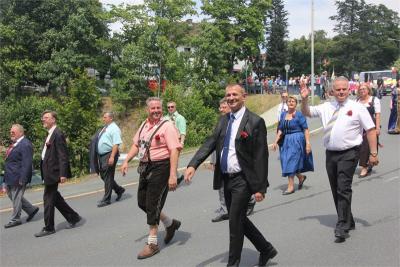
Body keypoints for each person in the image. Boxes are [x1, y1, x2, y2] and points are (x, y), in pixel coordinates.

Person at [184, 84, 277, 267]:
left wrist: (260, 187)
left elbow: (260, 157)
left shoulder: (255, 121)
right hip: (226, 178)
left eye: (235, 94)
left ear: (244, 97)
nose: (231, 98)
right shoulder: (223, 120)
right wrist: (193, 164)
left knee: (234, 223)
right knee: (239, 218)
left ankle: (233, 264)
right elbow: (210, 142)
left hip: (243, 179)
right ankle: (266, 249)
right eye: (228, 95)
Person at [301, 77, 379, 243]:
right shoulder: (326, 106)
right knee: (336, 188)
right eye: (338, 89)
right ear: (332, 91)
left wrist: (373, 153)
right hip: (331, 154)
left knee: (343, 188)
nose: (341, 92)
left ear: (348, 90)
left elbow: (371, 130)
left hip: (349, 153)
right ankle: (348, 220)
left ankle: (342, 225)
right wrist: (305, 99)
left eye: (344, 89)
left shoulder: (357, 107)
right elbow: (307, 112)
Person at [121, 97, 182, 260]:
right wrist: (126, 160)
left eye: (158, 108)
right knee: (143, 202)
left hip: (161, 167)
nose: (156, 111)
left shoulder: (167, 126)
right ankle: (170, 224)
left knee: (153, 203)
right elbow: (136, 144)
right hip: (145, 166)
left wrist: (173, 174)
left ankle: (153, 243)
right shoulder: (144, 125)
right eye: (153, 108)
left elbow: (174, 150)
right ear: (147, 110)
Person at [35, 110, 81, 237]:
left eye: (46, 117)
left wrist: (63, 173)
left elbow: (63, 155)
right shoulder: (50, 134)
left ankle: (49, 227)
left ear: (53, 119)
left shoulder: (58, 133)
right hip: (49, 172)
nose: (43, 119)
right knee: (55, 198)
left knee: (48, 199)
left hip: (54, 172)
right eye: (43, 117)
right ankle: (73, 217)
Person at [210, 99, 256, 223]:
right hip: (221, 161)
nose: (221, 109)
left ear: (230, 108)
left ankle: (248, 201)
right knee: (222, 186)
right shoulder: (221, 121)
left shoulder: (241, 122)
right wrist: (213, 160)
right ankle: (226, 209)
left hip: (236, 163)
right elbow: (213, 143)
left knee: (236, 187)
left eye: (223, 107)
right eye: (220, 107)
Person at [272, 96, 314, 195]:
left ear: (296, 104)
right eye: (289, 101)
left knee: (290, 160)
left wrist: (308, 144)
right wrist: (275, 142)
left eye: (293, 101)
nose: (291, 103)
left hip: (297, 140)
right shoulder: (283, 115)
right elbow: (281, 129)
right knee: (286, 160)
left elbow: (306, 129)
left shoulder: (299, 115)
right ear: (286, 103)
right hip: (286, 141)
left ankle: (290, 187)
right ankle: (300, 177)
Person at [3, 124, 39, 228]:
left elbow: (27, 163)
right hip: (11, 176)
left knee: (16, 198)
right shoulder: (16, 143)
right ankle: (31, 210)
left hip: (18, 177)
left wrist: (23, 178)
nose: (11, 134)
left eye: (13, 132)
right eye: (10, 132)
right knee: (13, 196)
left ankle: (15, 219)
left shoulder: (25, 144)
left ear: (21, 132)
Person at [95, 112, 125, 207]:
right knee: (104, 176)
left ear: (111, 118)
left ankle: (106, 199)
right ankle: (118, 189)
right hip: (102, 156)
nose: (103, 119)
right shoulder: (106, 127)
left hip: (109, 154)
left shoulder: (114, 129)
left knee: (107, 176)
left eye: (105, 117)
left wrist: (112, 156)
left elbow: (116, 144)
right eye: (103, 117)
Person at [356, 83, 381, 178]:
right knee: (360, 146)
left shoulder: (374, 100)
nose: (362, 90)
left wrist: (377, 128)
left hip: (370, 126)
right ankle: (368, 163)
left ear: (368, 90)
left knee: (367, 146)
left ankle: (364, 167)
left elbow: (377, 114)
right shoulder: (357, 101)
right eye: (360, 89)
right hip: (359, 126)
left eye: (364, 89)